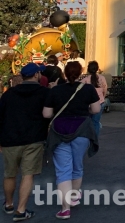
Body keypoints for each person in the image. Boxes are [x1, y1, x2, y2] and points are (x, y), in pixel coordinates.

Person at [42, 62, 101, 220]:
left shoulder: (55, 90)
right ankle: (74, 197)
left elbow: (47, 114)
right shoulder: (88, 89)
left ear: (64, 74)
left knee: (63, 171)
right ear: (81, 72)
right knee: (77, 167)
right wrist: (83, 111)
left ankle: (65, 208)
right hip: (81, 130)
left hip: (59, 131)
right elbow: (96, 110)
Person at [0, 63, 49, 221]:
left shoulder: (9, 94)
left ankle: (8, 204)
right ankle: (21, 210)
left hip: (10, 139)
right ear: (35, 75)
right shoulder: (44, 93)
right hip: (34, 139)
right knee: (28, 174)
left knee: (10, 174)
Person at [79, 62, 107, 138]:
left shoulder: (85, 80)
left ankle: (88, 136)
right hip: (100, 101)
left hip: (89, 103)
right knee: (96, 122)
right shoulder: (102, 78)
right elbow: (105, 90)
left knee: (88, 121)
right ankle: (95, 138)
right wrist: (103, 98)